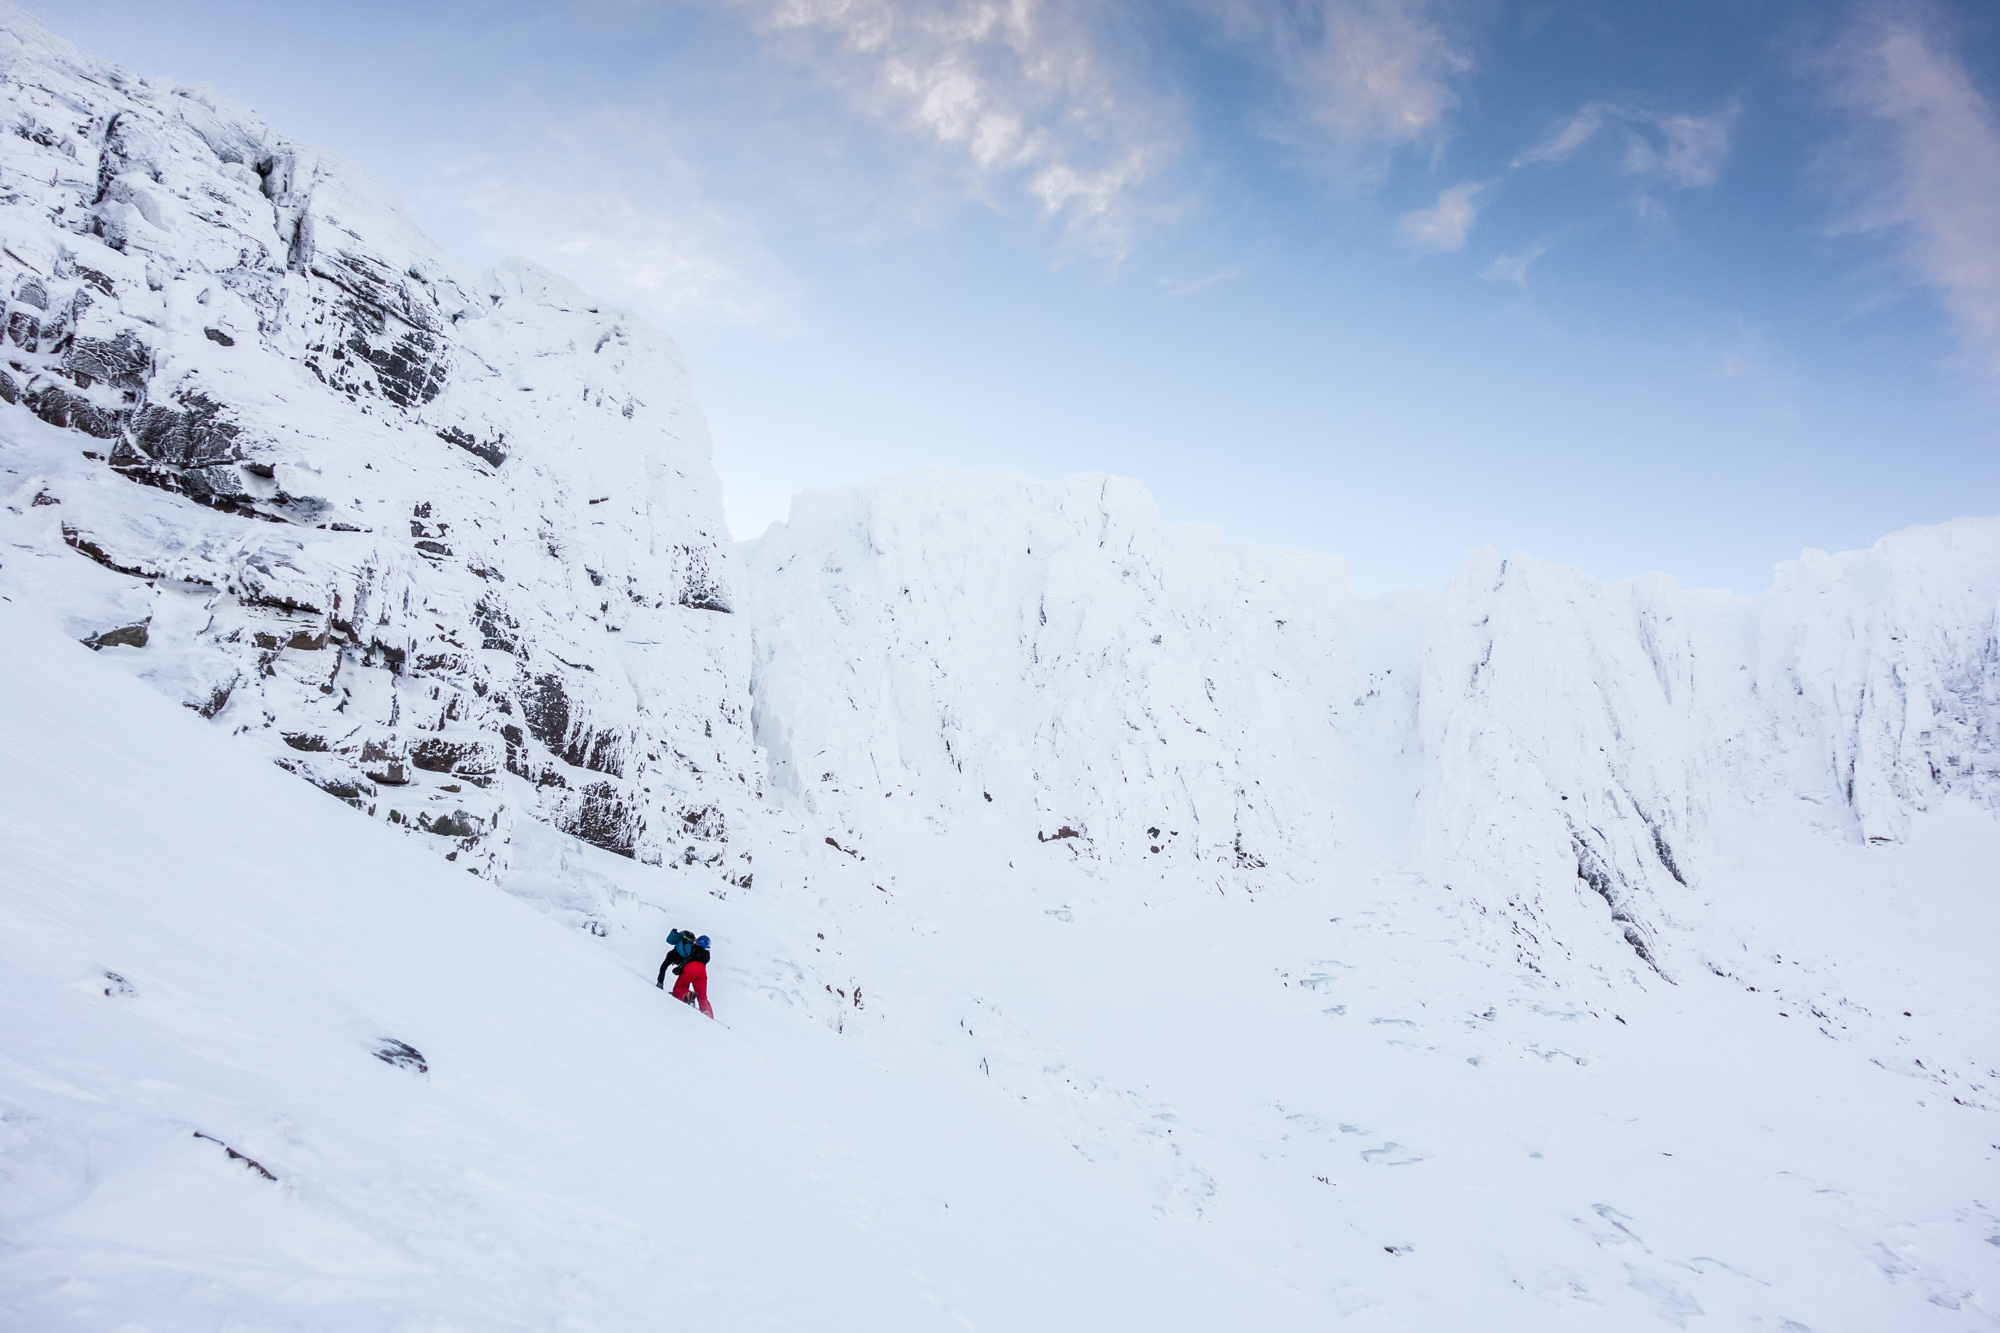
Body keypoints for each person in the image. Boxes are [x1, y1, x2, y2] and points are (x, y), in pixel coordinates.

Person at [656, 928, 714, 1018]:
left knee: (678, 988)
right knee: (703, 997)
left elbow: (686, 956)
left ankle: (687, 995)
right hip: (702, 972)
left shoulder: (694, 948)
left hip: (690, 968)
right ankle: (708, 1014)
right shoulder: (707, 955)